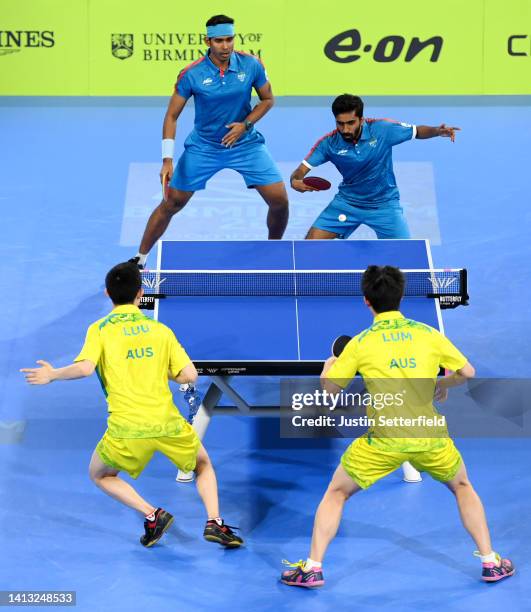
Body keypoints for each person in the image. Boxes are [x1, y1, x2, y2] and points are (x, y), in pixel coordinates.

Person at [281, 265, 514, 588]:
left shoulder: (360, 344)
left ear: (367, 301)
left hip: (383, 442)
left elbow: (331, 391)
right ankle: (491, 562)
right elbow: (468, 372)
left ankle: (313, 568)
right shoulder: (428, 334)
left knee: (336, 493)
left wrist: (328, 367)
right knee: (462, 487)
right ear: (401, 296)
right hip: (429, 437)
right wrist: (441, 381)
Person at [21, 262, 243, 549]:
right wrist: (160, 368)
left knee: (100, 475)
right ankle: (215, 522)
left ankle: (153, 515)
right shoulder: (160, 330)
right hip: (167, 423)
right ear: (141, 293)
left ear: (107, 293)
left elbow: (86, 368)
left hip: (126, 429)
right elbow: (189, 375)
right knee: (202, 465)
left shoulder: (99, 329)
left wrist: (52, 375)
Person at [131, 14, 289, 268]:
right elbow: (172, 116)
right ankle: (139, 260)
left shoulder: (252, 64)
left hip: (245, 144)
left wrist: (245, 125)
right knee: (172, 202)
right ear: (207, 41)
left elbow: (268, 100)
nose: (225, 46)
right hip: (204, 147)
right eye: (219, 41)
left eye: (229, 40)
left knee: (279, 200)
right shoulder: (191, 74)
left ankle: (273, 251)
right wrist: (167, 159)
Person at [290, 94, 460, 240]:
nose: (345, 129)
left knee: (407, 256)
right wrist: (295, 181)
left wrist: (437, 131)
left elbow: (417, 131)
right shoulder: (329, 144)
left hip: (384, 204)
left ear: (361, 119)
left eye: (350, 123)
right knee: (311, 245)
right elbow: (301, 170)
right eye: (340, 124)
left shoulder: (382, 130)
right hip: (347, 203)